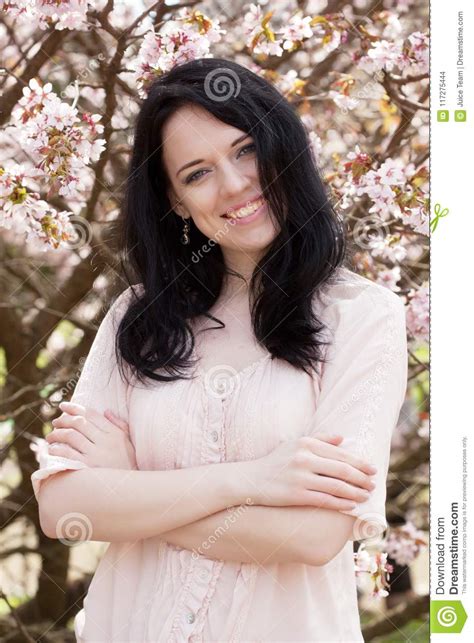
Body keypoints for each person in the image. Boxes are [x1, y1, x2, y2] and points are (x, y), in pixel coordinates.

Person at [31, 58, 408, 642]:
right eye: (197, 173)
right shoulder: (137, 319)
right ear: (176, 201)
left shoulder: (362, 316)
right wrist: (255, 479)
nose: (234, 185)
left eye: (245, 150)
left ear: (283, 147)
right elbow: (65, 510)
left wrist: (130, 484)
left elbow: (313, 536)